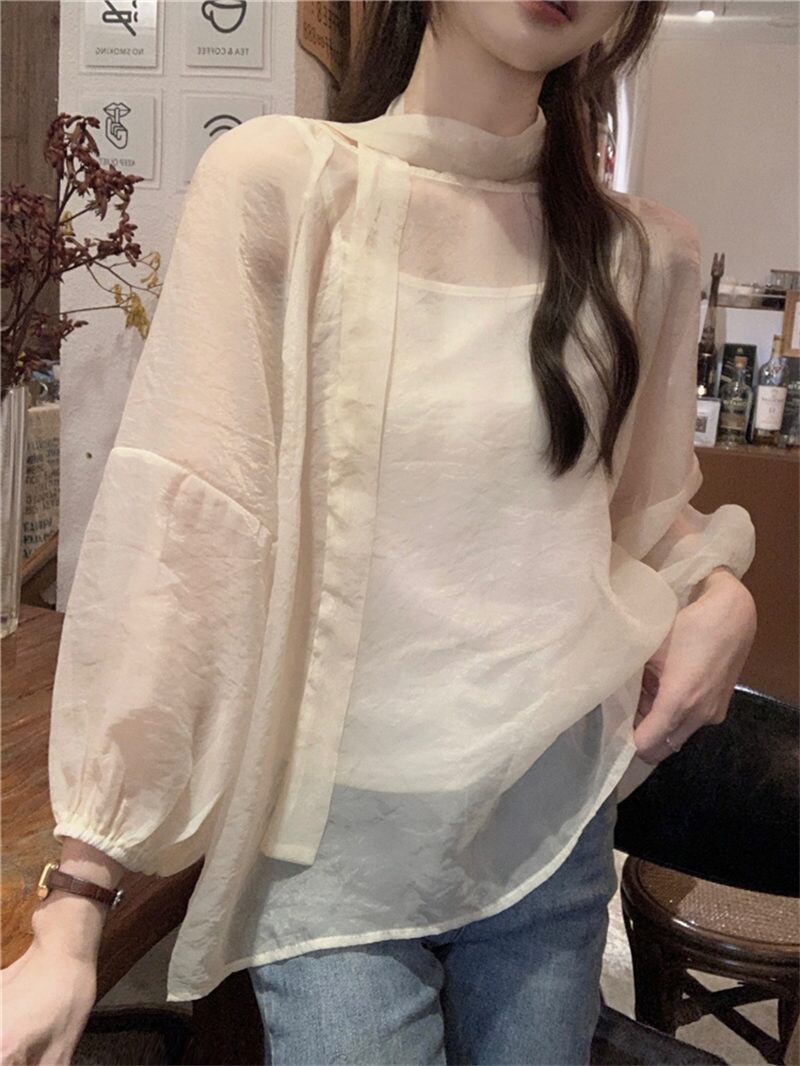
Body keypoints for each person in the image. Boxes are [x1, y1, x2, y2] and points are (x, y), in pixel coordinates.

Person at [2, 2, 758, 1064]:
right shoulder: (287, 184)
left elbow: (633, 518)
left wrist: (720, 589)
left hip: (549, 832)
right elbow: (190, 525)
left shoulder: (643, 254)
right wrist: (77, 902)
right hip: (332, 848)